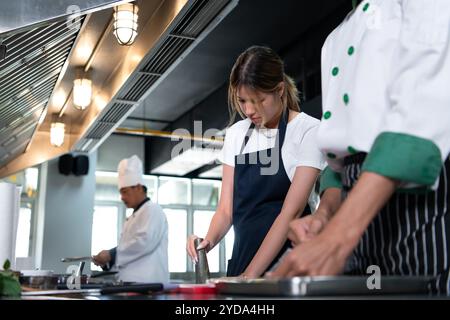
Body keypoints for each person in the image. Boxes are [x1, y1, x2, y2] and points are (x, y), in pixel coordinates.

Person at [270, 0, 450, 294]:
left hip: (421, 209)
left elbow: (423, 114)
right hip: (359, 216)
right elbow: (342, 159)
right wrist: (325, 216)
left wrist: (339, 237)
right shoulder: (338, 36)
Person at [186, 46, 326, 278]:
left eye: (258, 100)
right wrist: (207, 241)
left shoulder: (307, 130)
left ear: (279, 90)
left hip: (288, 267)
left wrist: (249, 277)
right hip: (243, 262)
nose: (249, 110)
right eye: (242, 100)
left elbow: (290, 213)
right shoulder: (236, 134)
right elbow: (225, 211)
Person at [93, 155, 169, 284]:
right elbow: (127, 254)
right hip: (131, 284)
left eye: (125, 192)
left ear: (138, 187)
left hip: (148, 286)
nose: (122, 197)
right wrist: (106, 262)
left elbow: (143, 243)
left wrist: (111, 254)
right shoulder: (134, 216)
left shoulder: (153, 210)